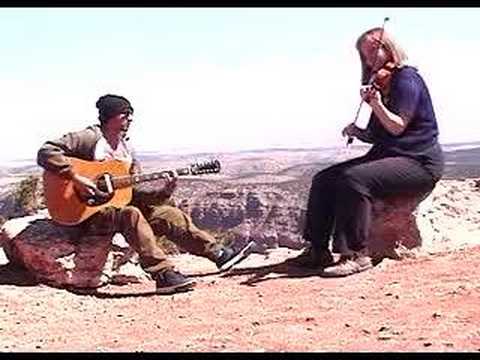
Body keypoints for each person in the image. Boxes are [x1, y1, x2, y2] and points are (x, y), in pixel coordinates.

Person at [37, 94, 251, 293]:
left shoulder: (126, 149)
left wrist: (165, 190)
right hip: (83, 212)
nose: (130, 118)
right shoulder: (89, 138)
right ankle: (162, 273)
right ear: (111, 117)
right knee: (130, 214)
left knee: (169, 215)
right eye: (125, 113)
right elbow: (46, 151)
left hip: (110, 208)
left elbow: (133, 193)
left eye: (130, 114)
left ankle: (218, 254)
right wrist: (76, 178)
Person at [288, 27, 444, 277]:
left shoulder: (406, 78)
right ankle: (317, 249)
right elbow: (377, 133)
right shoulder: (382, 84)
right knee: (324, 179)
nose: (370, 59)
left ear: (389, 47)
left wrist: (377, 104)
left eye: (374, 50)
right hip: (390, 155)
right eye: (365, 54)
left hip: (418, 161)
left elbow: (397, 126)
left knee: (354, 179)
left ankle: (355, 254)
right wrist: (357, 131)